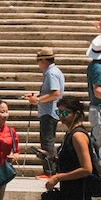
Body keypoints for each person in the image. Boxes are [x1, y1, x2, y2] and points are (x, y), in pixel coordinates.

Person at [25, 48, 64, 177]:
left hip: (49, 112)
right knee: (47, 141)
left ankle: (50, 171)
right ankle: (49, 169)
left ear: (43, 60)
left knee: (47, 142)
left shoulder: (51, 73)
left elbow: (55, 93)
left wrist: (37, 100)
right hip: (50, 111)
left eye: (38, 60)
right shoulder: (53, 71)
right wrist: (38, 95)